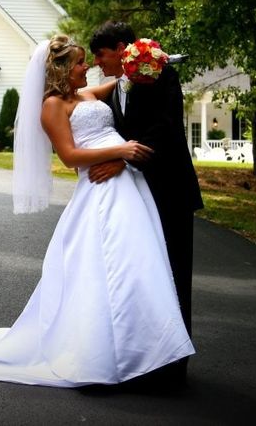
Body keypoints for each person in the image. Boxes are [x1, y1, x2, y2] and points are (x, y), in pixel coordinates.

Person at [0, 35, 194, 387]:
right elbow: (69, 157)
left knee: (138, 266)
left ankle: (140, 349)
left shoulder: (88, 95)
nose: (89, 67)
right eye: (81, 62)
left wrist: (154, 59)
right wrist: (120, 152)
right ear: (61, 69)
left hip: (128, 186)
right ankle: (100, 353)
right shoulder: (51, 106)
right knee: (108, 266)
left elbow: (128, 79)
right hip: (100, 187)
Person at [88, 21, 203, 385]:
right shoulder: (113, 85)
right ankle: (141, 358)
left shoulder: (162, 72)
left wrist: (122, 158)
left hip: (169, 190)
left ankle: (173, 367)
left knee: (173, 274)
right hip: (134, 198)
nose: (97, 63)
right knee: (141, 277)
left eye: (101, 55)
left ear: (122, 48)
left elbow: (166, 128)